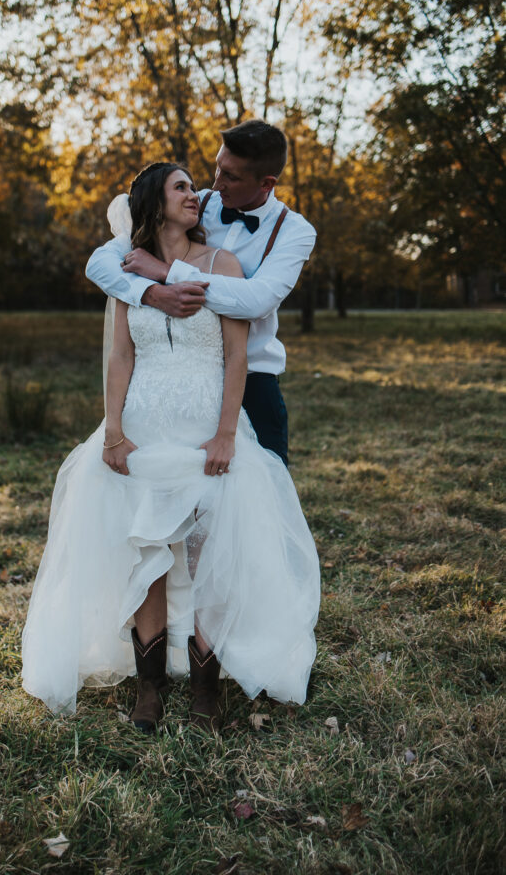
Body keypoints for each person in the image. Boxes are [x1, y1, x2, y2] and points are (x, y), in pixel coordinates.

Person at [21, 161, 320, 734]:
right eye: (181, 186)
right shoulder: (126, 268)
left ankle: (206, 689)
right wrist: (113, 430)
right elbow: (121, 354)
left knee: (208, 552)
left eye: (192, 186)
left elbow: (236, 356)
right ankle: (149, 685)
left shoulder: (222, 265)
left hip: (205, 425)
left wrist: (227, 433)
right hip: (142, 425)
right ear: (154, 203)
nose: (195, 194)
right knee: (147, 552)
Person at [85, 119, 316, 467]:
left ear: (266, 183)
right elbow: (101, 264)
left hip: (252, 379)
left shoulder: (294, 231)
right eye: (218, 167)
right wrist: (152, 293)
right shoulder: (194, 204)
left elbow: (256, 301)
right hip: (169, 388)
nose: (216, 183)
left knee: (260, 483)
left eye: (230, 176)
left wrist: (168, 273)